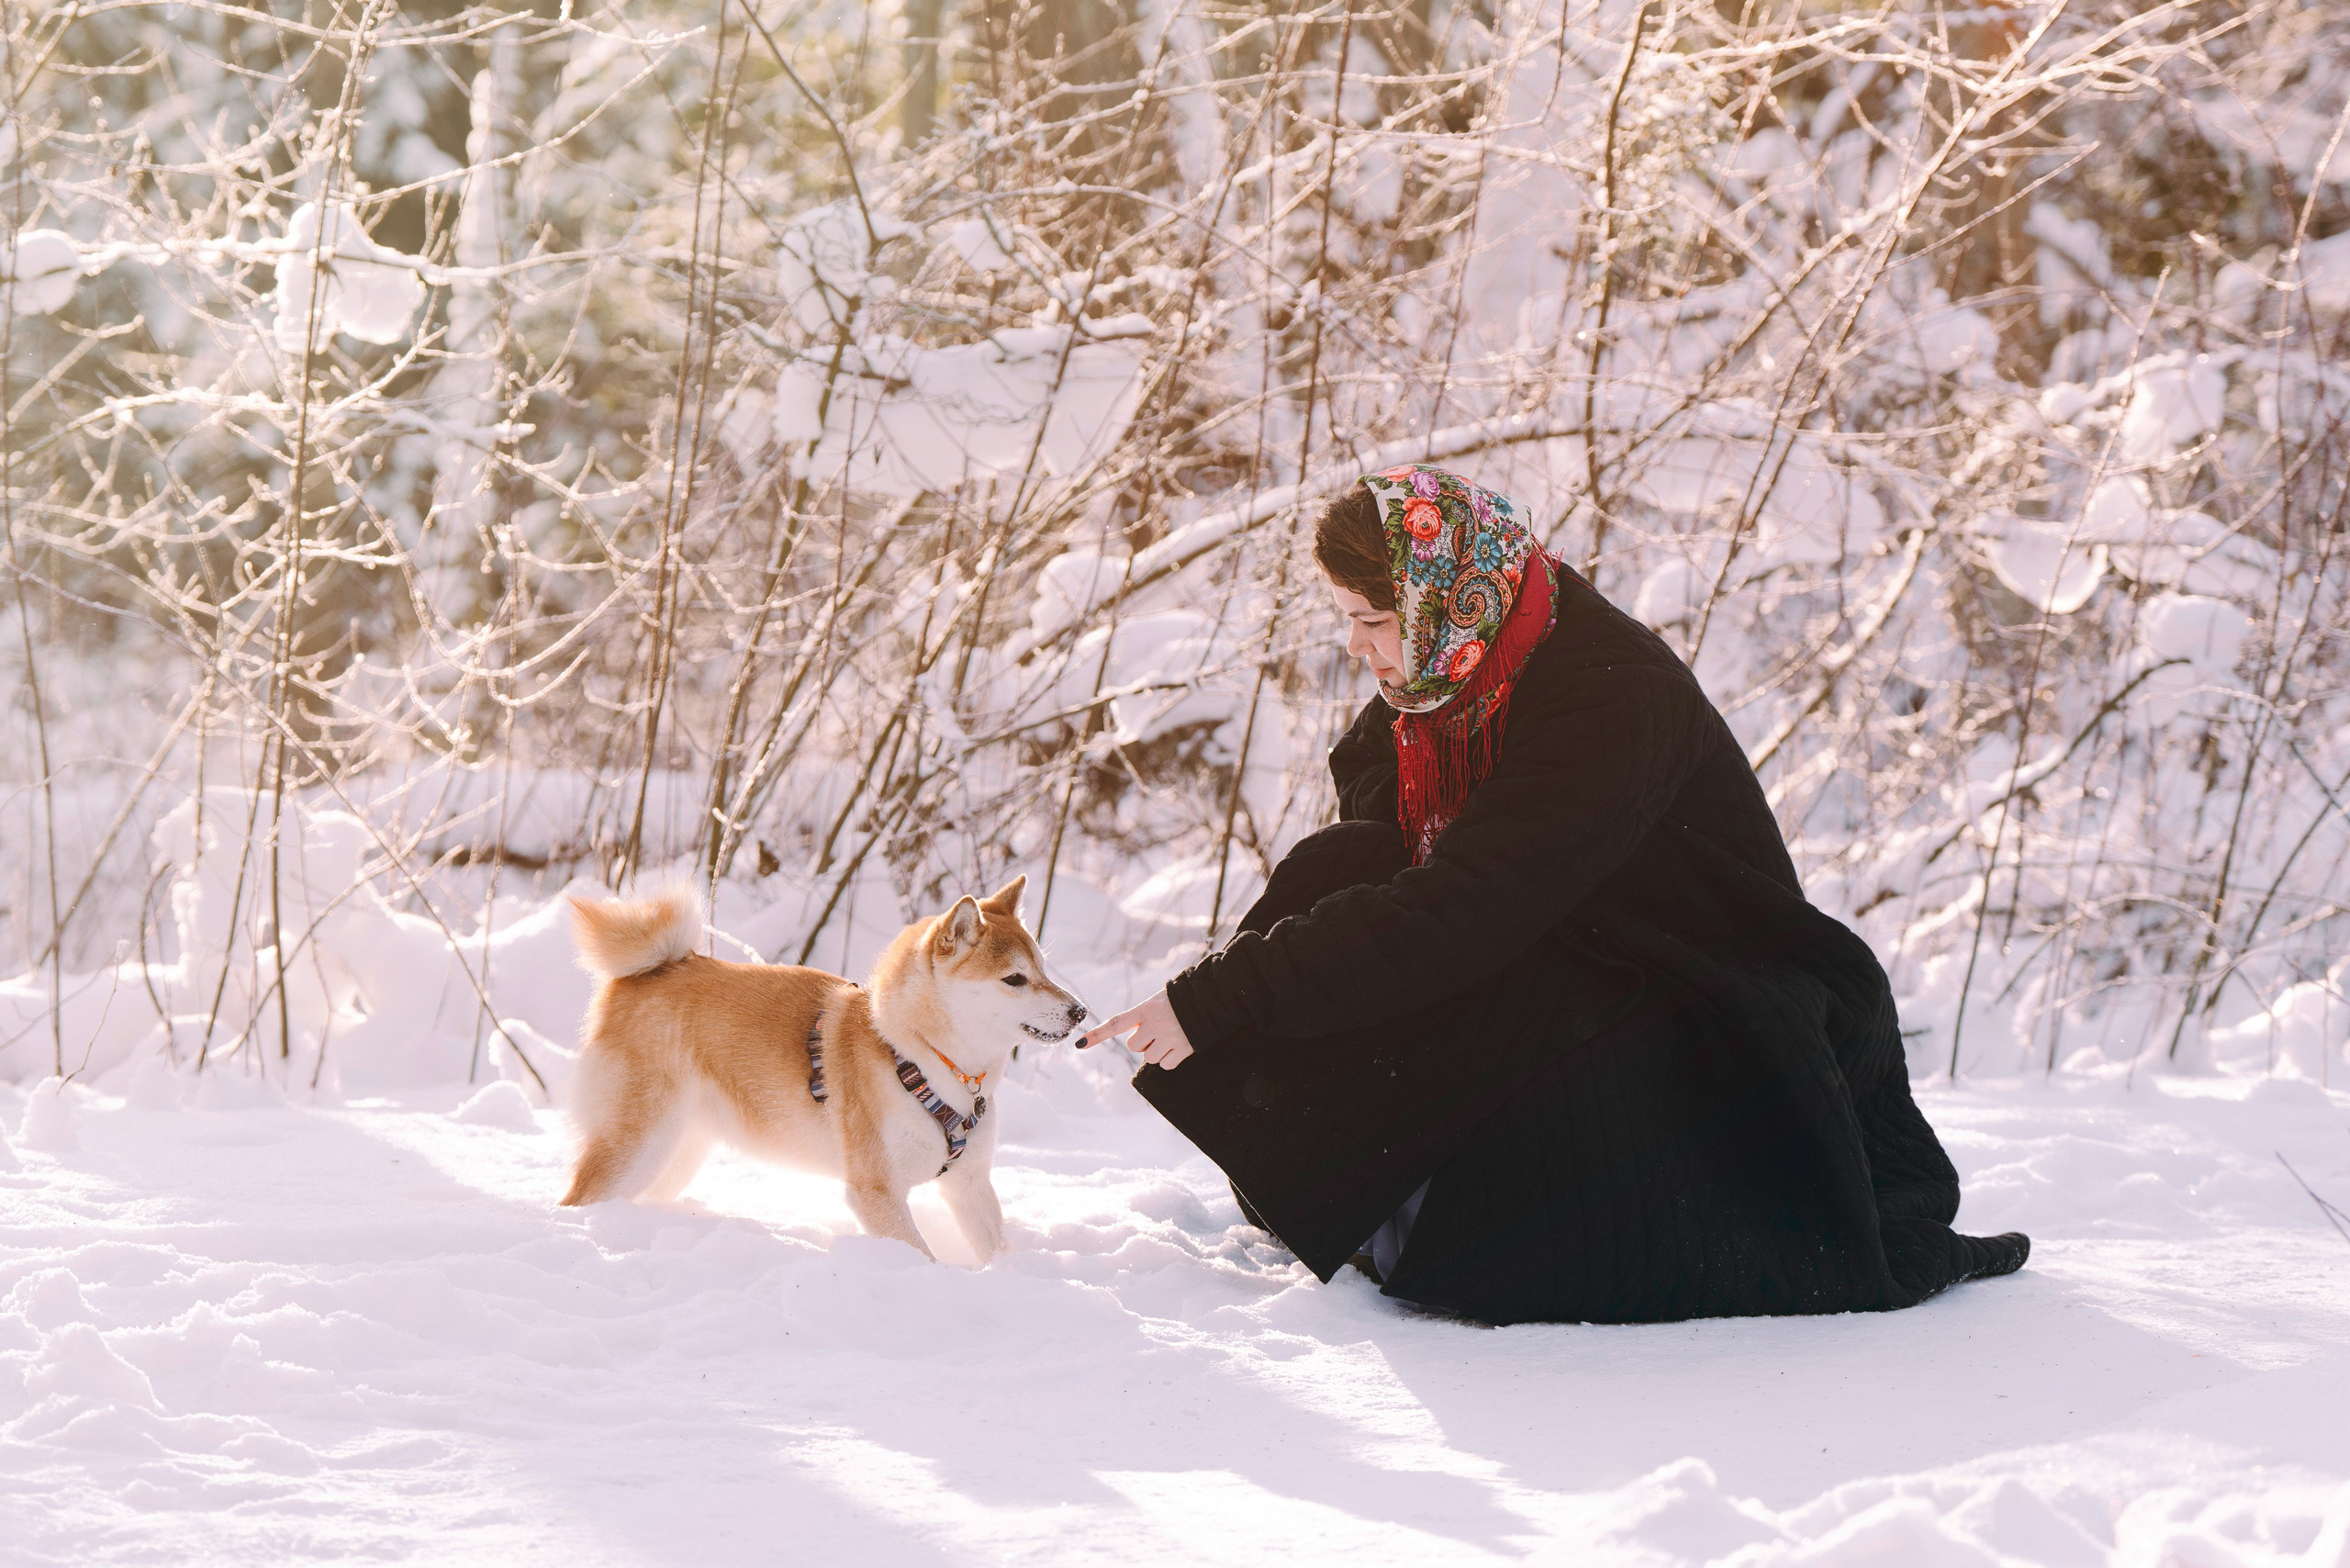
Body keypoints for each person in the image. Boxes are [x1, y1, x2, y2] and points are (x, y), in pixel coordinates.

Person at [1080, 465, 2029, 1326]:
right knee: (1343, 865)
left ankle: (1422, 1210)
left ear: (1444, 598)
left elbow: (1467, 908)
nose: (1361, 648)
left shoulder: (1611, 695)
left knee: (1497, 1011)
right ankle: (1349, 1188)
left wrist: (1220, 996)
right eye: (1353, 620)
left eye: (1373, 620)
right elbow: (1379, 815)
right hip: (1576, 943)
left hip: (1711, 1002)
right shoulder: (1452, 667)